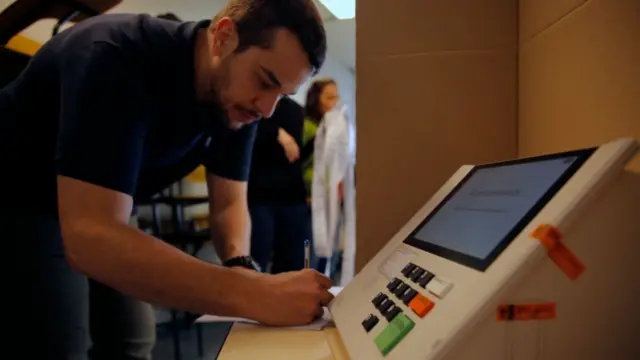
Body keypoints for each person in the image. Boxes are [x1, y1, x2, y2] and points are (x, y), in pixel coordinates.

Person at [0, 1, 334, 359]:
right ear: (223, 37)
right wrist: (254, 294)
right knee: (60, 343)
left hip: (103, 201)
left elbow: (230, 203)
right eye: (265, 81)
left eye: (281, 94)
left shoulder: (240, 102)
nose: (267, 109)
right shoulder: (116, 54)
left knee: (132, 338)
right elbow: (89, 237)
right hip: (20, 194)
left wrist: (242, 268)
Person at [248, 96, 313, 273]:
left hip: (292, 196)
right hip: (260, 196)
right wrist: (276, 132)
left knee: (295, 265)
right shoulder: (255, 103)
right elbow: (245, 135)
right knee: (255, 263)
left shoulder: (296, 110)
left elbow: (294, 156)